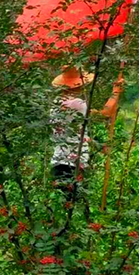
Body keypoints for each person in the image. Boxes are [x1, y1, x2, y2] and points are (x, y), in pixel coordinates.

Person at [51, 66, 95, 195]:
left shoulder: (56, 103)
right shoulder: (78, 104)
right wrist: (115, 93)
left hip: (58, 161)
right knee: (75, 201)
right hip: (74, 163)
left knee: (63, 203)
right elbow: (104, 114)